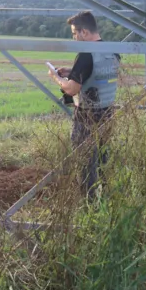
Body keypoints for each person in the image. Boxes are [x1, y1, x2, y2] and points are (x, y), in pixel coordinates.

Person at [47, 11, 121, 200]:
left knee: (85, 164)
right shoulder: (112, 50)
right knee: (103, 161)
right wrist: (73, 70)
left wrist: (56, 77)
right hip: (107, 114)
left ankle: (88, 205)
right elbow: (100, 73)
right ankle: (106, 200)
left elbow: (71, 89)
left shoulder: (85, 55)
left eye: (74, 33)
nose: (74, 38)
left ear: (85, 32)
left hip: (87, 118)